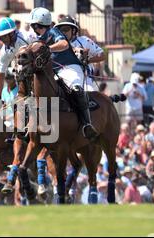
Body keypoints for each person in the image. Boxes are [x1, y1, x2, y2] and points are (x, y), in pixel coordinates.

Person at [27, 8, 98, 140]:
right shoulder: (37, 39)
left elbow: (64, 44)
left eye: (33, 25)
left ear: (36, 25)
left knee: (76, 89)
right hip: (53, 72)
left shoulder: (54, 32)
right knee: (35, 92)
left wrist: (48, 48)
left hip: (70, 68)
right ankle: (30, 127)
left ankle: (87, 124)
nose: (33, 28)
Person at [54, 15, 105, 92]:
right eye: (60, 30)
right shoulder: (55, 44)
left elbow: (102, 55)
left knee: (88, 92)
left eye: (66, 29)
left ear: (74, 30)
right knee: (47, 92)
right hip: (61, 76)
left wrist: (87, 60)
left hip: (83, 78)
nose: (63, 32)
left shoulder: (84, 41)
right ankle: (45, 104)